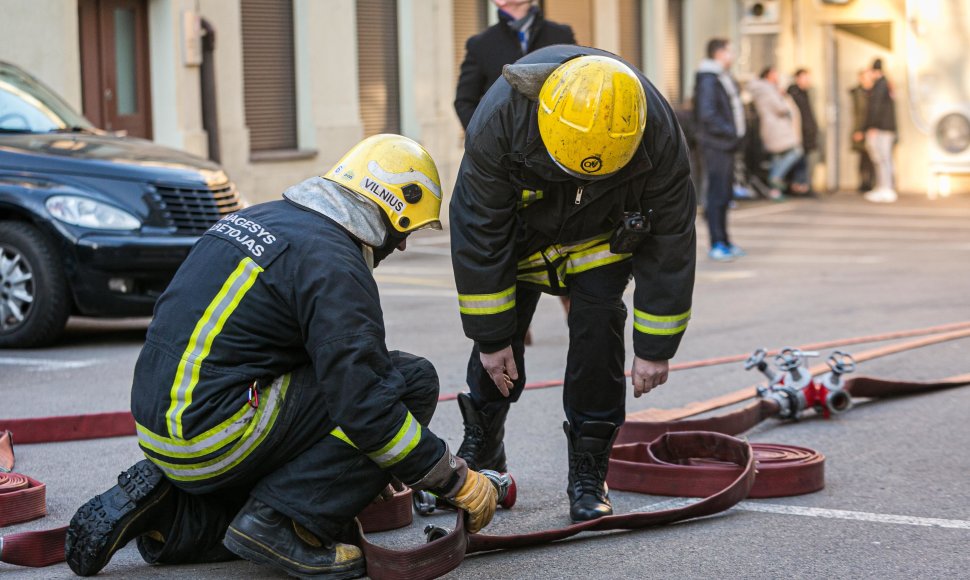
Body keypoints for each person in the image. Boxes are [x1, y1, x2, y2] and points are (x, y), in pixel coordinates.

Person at [64, 135, 498, 579]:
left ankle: (175, 518)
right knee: (409, 380)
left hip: (161, 427)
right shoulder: (334, 264)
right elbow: (365, 404)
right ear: (391, 208)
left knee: (345, 400)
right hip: (215, 433)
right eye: (405, 230)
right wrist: (451, 476)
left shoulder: (257, 218)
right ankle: (283, 524)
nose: (402, 245)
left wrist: (362, 470)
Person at [450, 45, 695, 523]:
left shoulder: (655, 130)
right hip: (517, 241)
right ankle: (483, 447)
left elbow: (671, 239)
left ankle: (589, 472)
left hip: (599, 240)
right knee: (496, 357)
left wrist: (655, 345)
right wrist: (493, 336)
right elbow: (479, 229)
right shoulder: (501, 118)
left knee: (598, 338)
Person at [454, 0, 575, 130]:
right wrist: (489, 140)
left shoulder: (563, 35)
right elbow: (465, 102)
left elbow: (577, 87)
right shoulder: (480, 44)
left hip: (557, 141)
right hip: (506, 147)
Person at [694, 38, 746, 262]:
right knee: (716, 195)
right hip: (716, 144)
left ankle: (724, 240)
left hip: (725, 144)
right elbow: (707, 114)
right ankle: (716, 243)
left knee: (724, 195)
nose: (732, 56)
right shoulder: (709, 79)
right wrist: (729, 131)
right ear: (719, 53)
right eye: (729, 51)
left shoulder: (721, 78)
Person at [748, 66, 806, 201]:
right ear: (768, 75)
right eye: (775, 73)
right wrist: (783, 96)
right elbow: (781, 108)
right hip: (776, 129)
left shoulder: (765, 90)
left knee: (778, 157)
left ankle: (774, 191)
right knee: (796, 151)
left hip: (774, 129)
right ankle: (775, 178)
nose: (778, 76)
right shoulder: (767, 90)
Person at [863, 59, 898, 203]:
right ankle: (882, 186)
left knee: (883, 158)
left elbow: (875, 108)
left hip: (881, 128)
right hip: (884, 127)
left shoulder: (880, 85)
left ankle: (887, 188)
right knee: (881, 158)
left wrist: (872, 126)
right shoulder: (885, 84)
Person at [787, 68, 818, 196]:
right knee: (799, 161)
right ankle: (797, 187)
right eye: (805, 77)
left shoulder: (804, 93)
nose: (808, 80)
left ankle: (803, 185)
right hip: (799, 133)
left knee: (804, 160)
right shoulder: (794, 93)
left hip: (807, 132)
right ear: (797, 78)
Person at [850, 68, 875, 193]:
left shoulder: (875, 91)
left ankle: (872, 182)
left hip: (872, 128)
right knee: (863, 157)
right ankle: (864, 182)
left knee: (873, 158)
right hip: (861, 127)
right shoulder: (858, 93)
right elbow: (859, 114)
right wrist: (858, 130)